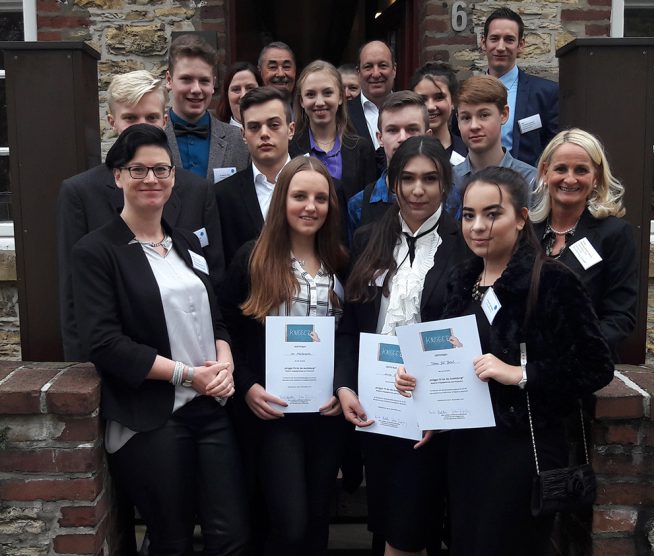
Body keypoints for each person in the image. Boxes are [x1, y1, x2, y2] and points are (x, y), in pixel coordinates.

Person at [396, 166, 614, 555]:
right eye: (468, 215)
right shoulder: (461, 280)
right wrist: (419, 386)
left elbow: (595, 364)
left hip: (520, 450)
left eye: (492, 213)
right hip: (466, 449)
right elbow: (445, 357)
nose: (478, 226)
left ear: (521, 218)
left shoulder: (552, 281)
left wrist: (520, 373)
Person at [71, 124, 249, 556]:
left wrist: (224, 364)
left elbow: (216, 318)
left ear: (173, 176)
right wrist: (188, 375)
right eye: (138, 170)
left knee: (232, 537)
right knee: (171, 540)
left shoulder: (187, 244)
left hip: (211, 409)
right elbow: (104, 342)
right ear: (117, 176)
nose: (151, 179)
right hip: (153, 417)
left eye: (160, 170)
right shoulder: (97, 252)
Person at [336, 136, 468, 556]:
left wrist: (439, 405)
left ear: (445, 184)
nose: (417, 190)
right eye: (407, 178)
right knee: (388, 519)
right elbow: (349, 326)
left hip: (428, 409)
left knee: (410, 526)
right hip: (376, 407)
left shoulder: (463, 246)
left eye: (430, 179)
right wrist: (344, 387)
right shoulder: (367, 238)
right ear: (392, 184)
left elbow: (463, 336)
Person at [219, 156, 349, 556]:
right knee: (288, 524)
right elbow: (225, 329)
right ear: (281, 201)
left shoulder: (341, 262)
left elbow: (349, 336)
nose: (311, 206)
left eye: (320, 198)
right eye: (299, 196)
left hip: (327, 415)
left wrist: (344, 385)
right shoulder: (252, 259)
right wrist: (246, 387)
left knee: (315, 523)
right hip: (275, 415)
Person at [58, 70, 224, 363]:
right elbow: (74, 298)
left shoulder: (197, 190)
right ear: (112, 122)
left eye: (150, 118)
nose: (140, 127)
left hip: (201, 363)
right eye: (130, 119)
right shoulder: (81, 192)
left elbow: (216, 280)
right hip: (126, 367)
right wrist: (81, 372)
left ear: (164, 121)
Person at [530, 129, 638, 357]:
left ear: (596, 176)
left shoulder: (615, 234)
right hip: (526, 365)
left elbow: (621, 317)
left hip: (583, 366)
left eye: (581, 170)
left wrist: (578, 349)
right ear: (545, 172)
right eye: (561, 169)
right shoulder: (526, 232)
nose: (570, 179)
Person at [214, 86, 295, 262]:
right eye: (254, 127)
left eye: (274, 125)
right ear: (243, 134)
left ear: (291, 130)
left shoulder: (324, 187)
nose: (264, 134)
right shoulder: (223, 196)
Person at [444, 75, 537, 217]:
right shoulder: (449, 181)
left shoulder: (531, 181)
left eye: (484, 115)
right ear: (457, 119)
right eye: (466, 117)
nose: (474, 126)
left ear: (504, 114)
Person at [346, 91, 431, 239]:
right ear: (380, 138)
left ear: (428, 136)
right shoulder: (359, 205)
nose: (402, 138)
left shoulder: (450, 199)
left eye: (412, 129)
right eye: (393, 130)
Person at [481, 7, 559, 167]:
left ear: (521, 45)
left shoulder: (546, 93)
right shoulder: (467, 94)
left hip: (525, 186)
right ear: (484, 43)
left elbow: (555, 147)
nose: (501, 47)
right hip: (477, 184)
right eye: (494, 38)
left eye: (509, 39)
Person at [164, 34, 249, 182]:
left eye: (204, 81)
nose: (196, 89)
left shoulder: (238, 139)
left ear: (213, 84)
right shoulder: (152, 136)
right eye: (187, 79)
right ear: (169, 80)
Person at [289, 60, 378, 199]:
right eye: (311, 94)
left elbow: (369, 206)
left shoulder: (361, 149)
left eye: (327, 93)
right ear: (301, 101)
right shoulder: (290, 148)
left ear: (341, 97)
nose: (319, 102)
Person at [410, 62, 467, 164]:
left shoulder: (470, 153)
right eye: (422, 99)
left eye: (439, 97)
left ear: (453, 101)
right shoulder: (401, 151)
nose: (430, 107)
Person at [347, 40, 397, 153]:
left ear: (394, 69)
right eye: (368, 67)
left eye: (382, 66)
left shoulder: (409, 110)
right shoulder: (342, 115)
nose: (375, 74)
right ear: (358, 72)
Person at [216, 61, 262, 129]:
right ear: (227, 95)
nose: (243, 95)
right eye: (236, 89)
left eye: (250, 88)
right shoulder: (214, 136)